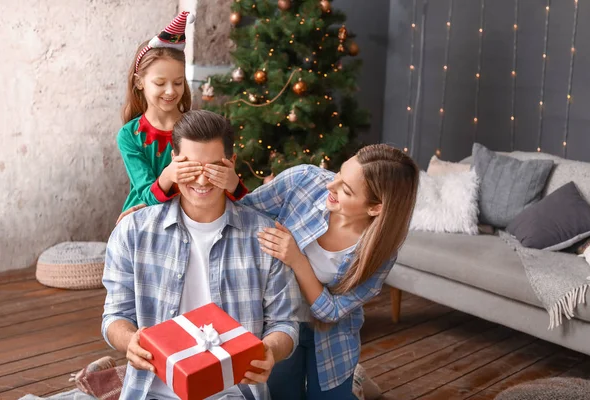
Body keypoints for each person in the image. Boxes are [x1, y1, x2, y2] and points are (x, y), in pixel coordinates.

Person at [102, 110, 302, 400]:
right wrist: (129, 341)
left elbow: (285, 323)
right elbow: (115, 316)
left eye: (213, 168)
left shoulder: (264, 237)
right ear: (174, 161)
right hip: (152, 391)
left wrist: (269, 349)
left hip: (235, 392)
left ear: (231, 164)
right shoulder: (133, 232)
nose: (201, 180)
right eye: (191, 167)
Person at [240, 144, 419, 399]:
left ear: (375, 208)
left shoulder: (379, 252)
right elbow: (244, 211)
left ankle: (355, 383)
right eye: (338, 174)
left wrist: (297, 260)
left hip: (332, 338)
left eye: (345, 190)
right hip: (280, 323)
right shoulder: (303, 180)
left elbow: (332, 311)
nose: (329, 186)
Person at [118, 11, 246, 213]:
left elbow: (226, 192)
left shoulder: (197, 127)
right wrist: (169, 175)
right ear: (139, 82)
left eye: (178, 82)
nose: (171, 91)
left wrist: (232, 182)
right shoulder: (130, 135)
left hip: (193, 216)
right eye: (160, 83)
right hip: (143, 215)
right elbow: (146, 195)